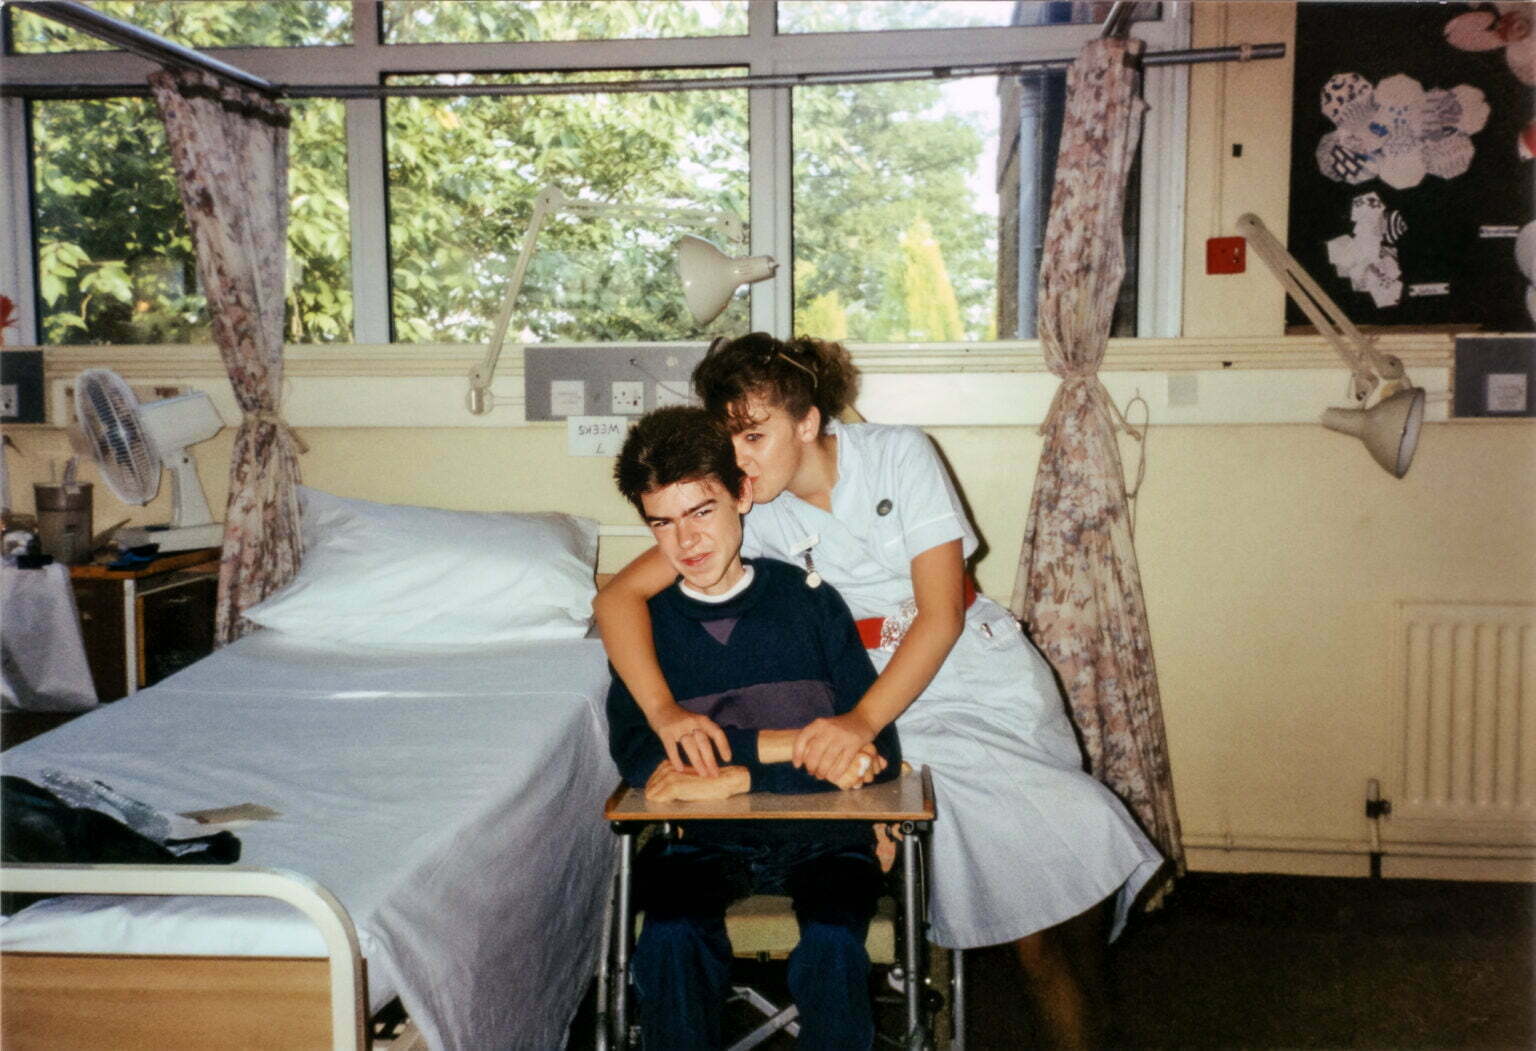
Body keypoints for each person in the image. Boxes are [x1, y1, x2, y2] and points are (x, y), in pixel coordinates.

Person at [596, 334, 1165, 1049]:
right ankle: (1071, 1010)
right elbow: (619, 598)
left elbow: (942, 612)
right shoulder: (745, 507)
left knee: (1077, 833)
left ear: (807, 420)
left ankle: (1087, 998)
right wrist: (663, 709)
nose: (738, 456)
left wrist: (859, 721)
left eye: (754, 433)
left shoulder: (899, 452)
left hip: (967, 672)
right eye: (729, 436)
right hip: (888, 704)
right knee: (1035, 900)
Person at [606, 405, 902, 1051]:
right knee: (670, 934)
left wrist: (735, 773)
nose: (686, 541)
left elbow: (871, 745)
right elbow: (639, 749)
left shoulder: (810, 600)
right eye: (663, 522)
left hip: (825, 837)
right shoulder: (646, 629)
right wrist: (797, 755)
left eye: (702, 511)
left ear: (742, 495)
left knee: (831, 942)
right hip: (706, 842)